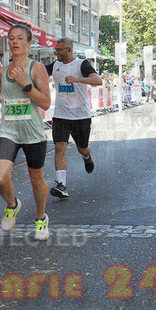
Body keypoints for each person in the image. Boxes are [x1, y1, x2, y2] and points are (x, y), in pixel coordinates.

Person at [0, 23, 52, 241]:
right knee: (0, 179)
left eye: (20, 38)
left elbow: (45, 103)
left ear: (29, 43)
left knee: (37, 180)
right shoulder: (2, 71)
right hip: (8, 131)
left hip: (33, 133)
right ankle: (12, 204)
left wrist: (26, 83)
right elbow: (10, 101)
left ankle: (41, 218)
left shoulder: (37, 68)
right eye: (11, 38)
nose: (15, 41)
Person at [45, 37, 102, 199]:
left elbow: (98, 80)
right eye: (56, 49)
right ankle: (61, 185)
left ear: (69, 50)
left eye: (59, 50)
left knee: (82, 148)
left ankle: (86, 156)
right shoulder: (55, 66)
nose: (56, 52)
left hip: (80, 116)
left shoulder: (81, 64)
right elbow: (37, 74)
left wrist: (78, 79)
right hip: (60, 116)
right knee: (59, 147)